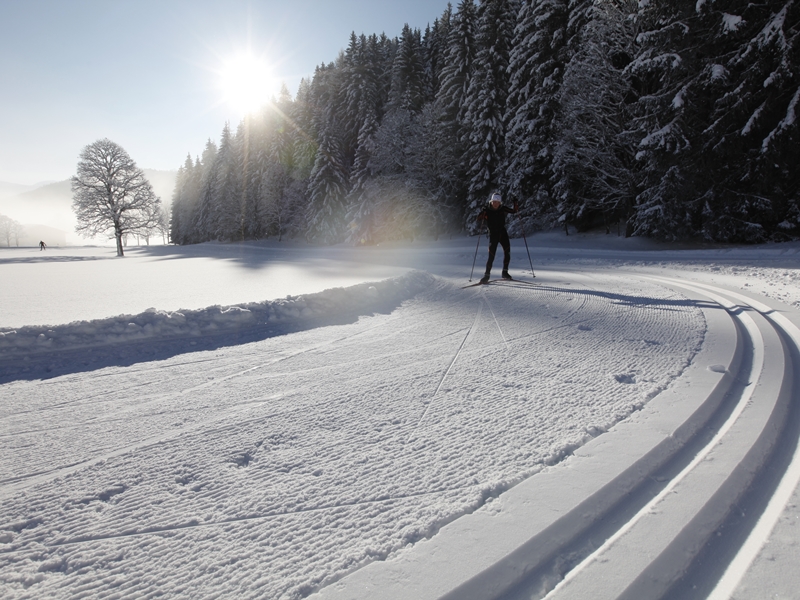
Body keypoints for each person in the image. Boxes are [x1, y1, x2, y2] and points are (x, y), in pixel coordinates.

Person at [478, 192, 517, 284]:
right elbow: (479, 219)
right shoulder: (487, 210)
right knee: (491, 256)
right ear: (491, 202)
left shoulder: (502, 209)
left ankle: (505, 272)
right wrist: (482, 211)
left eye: (497, 202)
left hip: (503, 233)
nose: (496, 204)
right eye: (494, 202)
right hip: (493, 235)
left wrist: (515, 202)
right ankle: (486, 276)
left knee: (507, 252)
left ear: (500, 203)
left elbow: (514, 211)